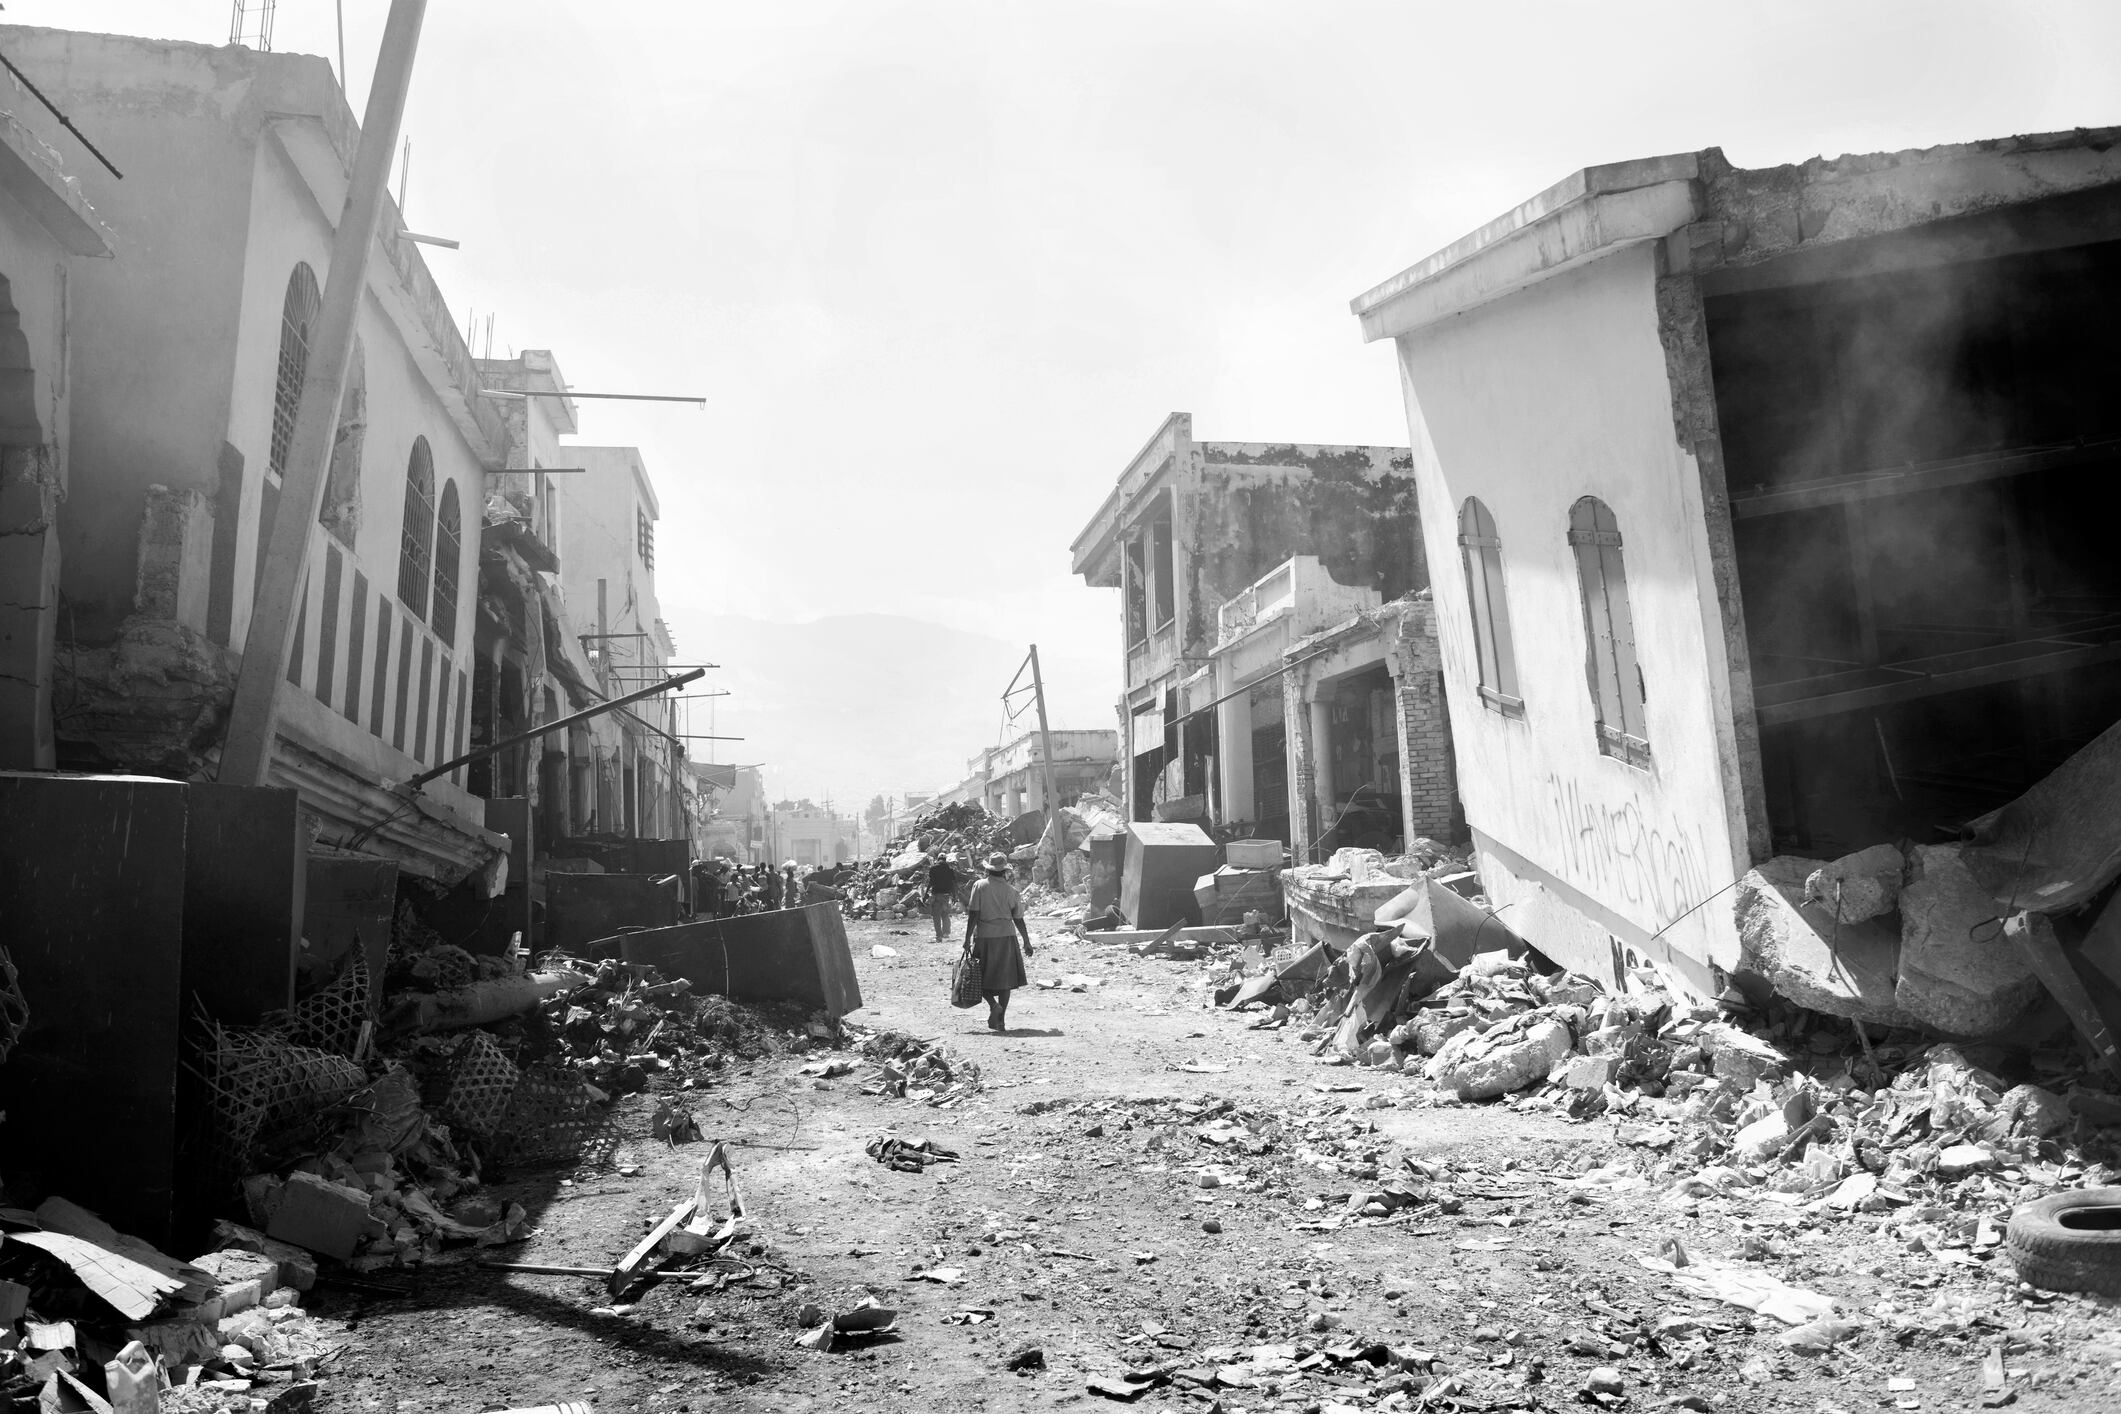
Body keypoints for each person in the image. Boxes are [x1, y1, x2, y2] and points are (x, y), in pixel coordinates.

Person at [964, 851, 1032, 1032]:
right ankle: (1001, 1020)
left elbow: (974, 914)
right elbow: (1018, 918)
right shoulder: (1012, 891)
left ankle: (994, 1006)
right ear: (1005, 872)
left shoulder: (979, 886)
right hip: (1007, 937)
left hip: (985, 937)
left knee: (980, 977)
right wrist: (1026, 940)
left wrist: (966, 938)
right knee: (1005, 979)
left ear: (988, 870)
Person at [927, 852, 961, 944]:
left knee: (936, 916)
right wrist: (954, 896)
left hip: (936, 895)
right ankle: (946, 932)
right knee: (945, 914)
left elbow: (930, 882)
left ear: (938, 859)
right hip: (946, 896)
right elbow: (953, 883)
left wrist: (926, 893)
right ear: (945, 860)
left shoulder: (933, 868)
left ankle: (939, 936)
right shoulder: (950, 869)